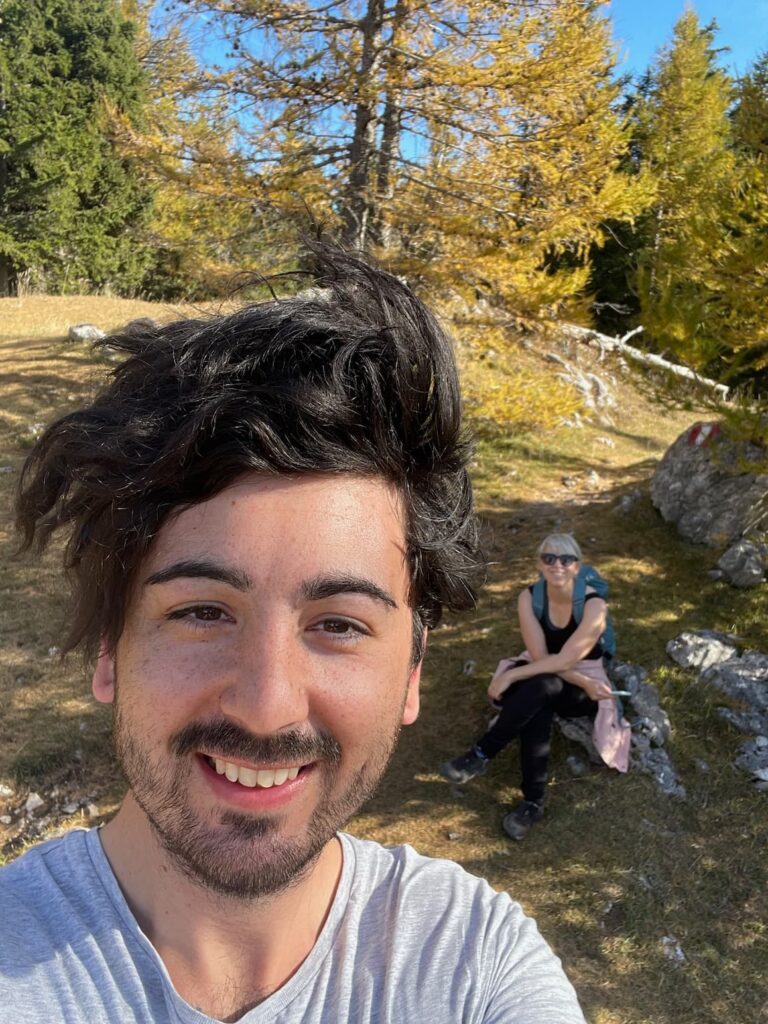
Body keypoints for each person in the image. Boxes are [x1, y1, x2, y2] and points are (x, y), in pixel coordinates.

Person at [0, 246, 586, 1023]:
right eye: (203, 611)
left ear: (411, 675)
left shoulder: (477, 969)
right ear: (110, 648)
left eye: (339, 625)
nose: (267, 708)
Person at [440, 533, 630, 841]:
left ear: (577, 566)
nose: (558, 565)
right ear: (539, 564)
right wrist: (529, 673)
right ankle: (532, 802)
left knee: (541, 686)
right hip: (544, 673)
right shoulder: (530, 597)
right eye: (549, 558)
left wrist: (513, 676)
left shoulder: (594, 605)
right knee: (540, 700)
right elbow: (543, 658)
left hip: (582, 685)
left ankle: (483, 752)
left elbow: (568, 658)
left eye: (566, 559)